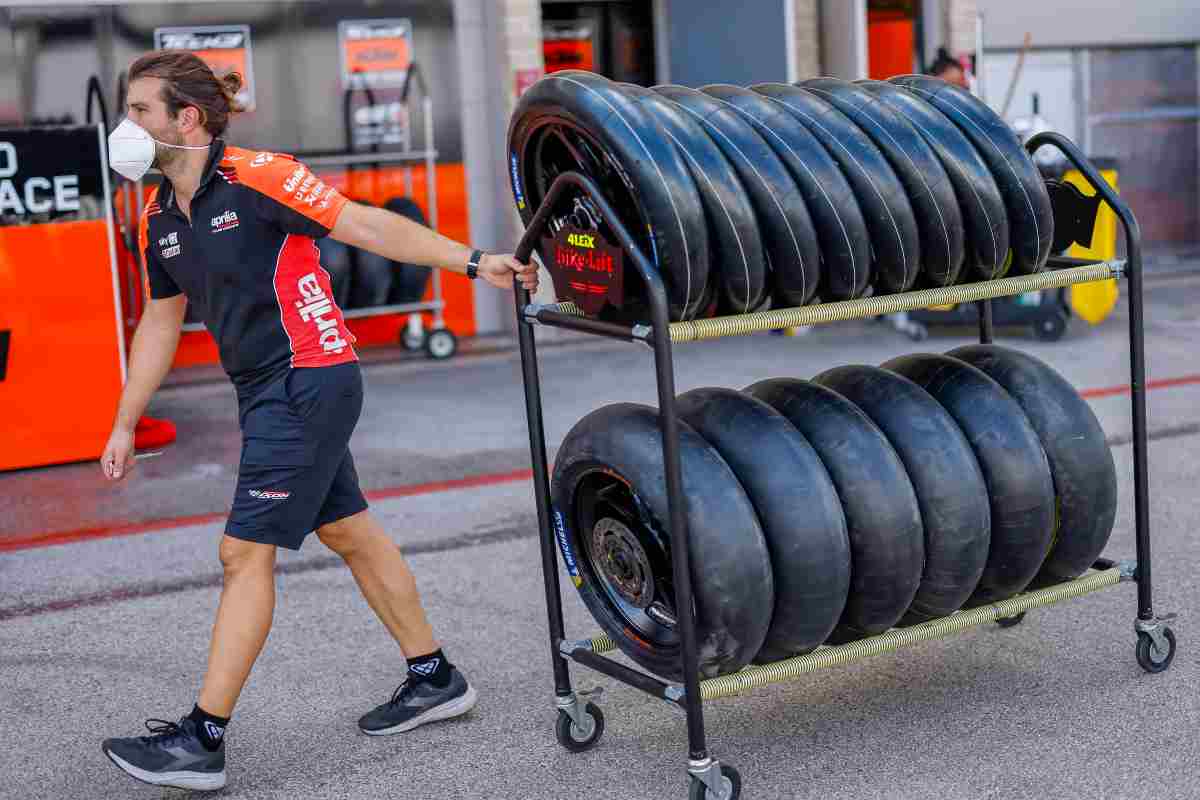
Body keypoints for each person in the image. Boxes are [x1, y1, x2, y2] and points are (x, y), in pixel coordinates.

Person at [98, 51, 538, 792]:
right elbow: (160, 325)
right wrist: (122, 423)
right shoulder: (157, 214)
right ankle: (435, 677)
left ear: (187, 119)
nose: (127, 125)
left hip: (310, 378)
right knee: (348, 531)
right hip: (264, 388)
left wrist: (473, 262)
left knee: (243, 554)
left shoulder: (259, 175)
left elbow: (364, 225)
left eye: (140, 110)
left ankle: (202, 740)